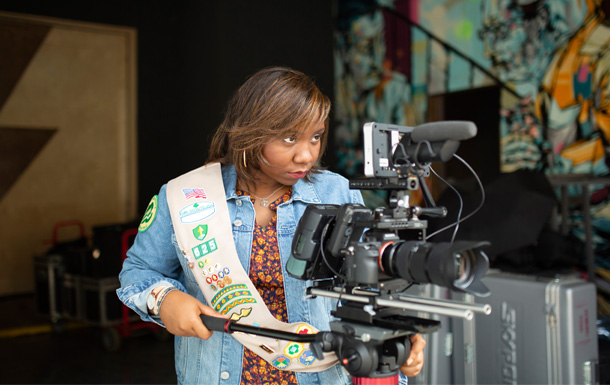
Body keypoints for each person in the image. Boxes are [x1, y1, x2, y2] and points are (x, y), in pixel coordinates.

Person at [117, 66, 425, 385]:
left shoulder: (337, 193)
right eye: (290, 138)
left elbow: (370, 287)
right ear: (251, 133)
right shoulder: (185, 196)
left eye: (316, 137)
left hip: (321, 376)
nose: (306, 155)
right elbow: (139, 271)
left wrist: (397, 339)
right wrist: (164, 299)